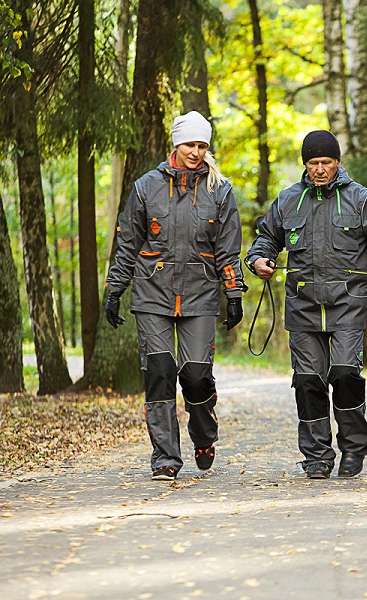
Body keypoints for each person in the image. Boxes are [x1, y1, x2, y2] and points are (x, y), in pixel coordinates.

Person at [245, 130, 367, 479]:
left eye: (325, 162)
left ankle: (355, 445)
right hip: (303, 307)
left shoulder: (361, 199)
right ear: (305, 165)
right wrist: (259, 260)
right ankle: (317, 455)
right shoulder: (288, 200)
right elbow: (266, 239)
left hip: (348, 305)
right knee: (308, 380)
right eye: (313, 163)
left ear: (337, 163)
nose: (319, 169)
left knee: (344, 374)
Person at [105, 111, 246, 481]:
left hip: (199, 294)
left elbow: (229, 250)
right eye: (190, 145)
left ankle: (203, 435)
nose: (196, 152)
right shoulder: (146, 187)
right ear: (176, 144)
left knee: (197, 376)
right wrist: (115, 289)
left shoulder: (220, 190)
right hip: (153, 292)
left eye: (202, 146)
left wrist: (233, 293)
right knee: (160, 372)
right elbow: (128, 244)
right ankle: (165, 457)